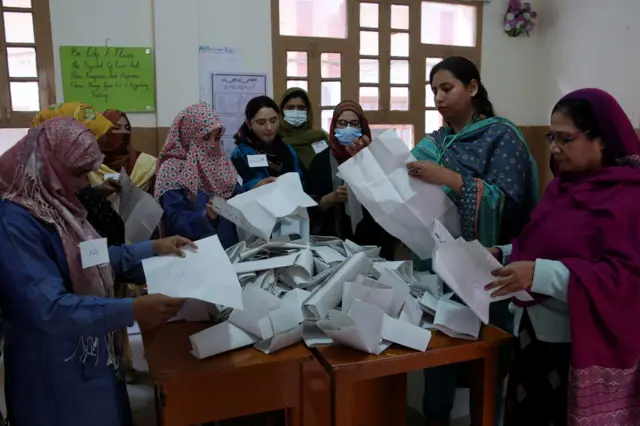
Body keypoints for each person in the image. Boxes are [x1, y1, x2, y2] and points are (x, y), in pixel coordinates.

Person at [0, 117, 194, 426]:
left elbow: (89, 258)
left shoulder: (60, 208)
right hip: (53, 367)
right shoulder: (15, 223)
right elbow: (48, 309)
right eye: (78, 174)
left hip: (92, 353)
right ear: (48, 166)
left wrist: (153, 248)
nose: (85, 184)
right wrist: (130, 309)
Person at [485, 88, 640, 426]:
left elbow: (624, 279)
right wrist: (504, 252)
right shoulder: (562, 188)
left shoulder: (629, 199)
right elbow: (543, 244)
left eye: (565, 139)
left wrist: (540, 274)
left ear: (601, 140)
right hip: (530, 335)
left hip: (574, 346)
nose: (554, 148)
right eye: (551, 136)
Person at [407, 57, 539, 426]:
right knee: (439, 351)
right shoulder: (436, 141)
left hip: (488, 267)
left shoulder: (502, 136)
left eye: (446, 88)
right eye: (434, 91)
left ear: (473, 88)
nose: (439, 97)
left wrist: (451, 179)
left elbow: (509, 202)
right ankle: (437, 416)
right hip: (439, 265)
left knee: (487, 357)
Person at [306, 100, 395, 259]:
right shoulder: (320, 161)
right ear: (334, 127)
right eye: (342, 123)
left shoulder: (375, 157)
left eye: (354, 123)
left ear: (362, 127)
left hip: (372, 241)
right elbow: (308, 204)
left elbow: (390, 198)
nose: (348, 128)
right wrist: (330, 198)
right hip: (332, 244)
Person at [33, 102, 126, 246]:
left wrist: (98, 192)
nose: (95, 155)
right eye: (89, 144)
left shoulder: (69, 178)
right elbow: (87, 255)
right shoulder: (41, 201)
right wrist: (151, 248)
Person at [155, 103, 242, 248]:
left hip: (231, 248)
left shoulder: (220, 161)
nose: (212, 144)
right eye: (205, 137)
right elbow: (175, 222)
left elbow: (239, 196)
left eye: (216, 137)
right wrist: (206, 216)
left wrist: (256, 190)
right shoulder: (172, 170)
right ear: (188, 136)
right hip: (194, 253)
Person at [231, 96, 305, 190]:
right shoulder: (240, 154)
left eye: (273, 121)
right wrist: (255, 186)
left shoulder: (287, 149)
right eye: (261, 123)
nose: (269, 128)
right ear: (249, 124)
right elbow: (233, 189)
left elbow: (302, 181)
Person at [92, 109, 157, 193]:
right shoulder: (90, 165)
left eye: (127, 128)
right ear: (104, 131)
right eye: (117, 127)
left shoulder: (145, 163)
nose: (124, 132)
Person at [278, 87, 328, 169]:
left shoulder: (319, 138)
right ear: (281, 110)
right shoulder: (275, 139)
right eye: (290, 107)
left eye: (301, 108)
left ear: (308, 111)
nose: (296, 111)